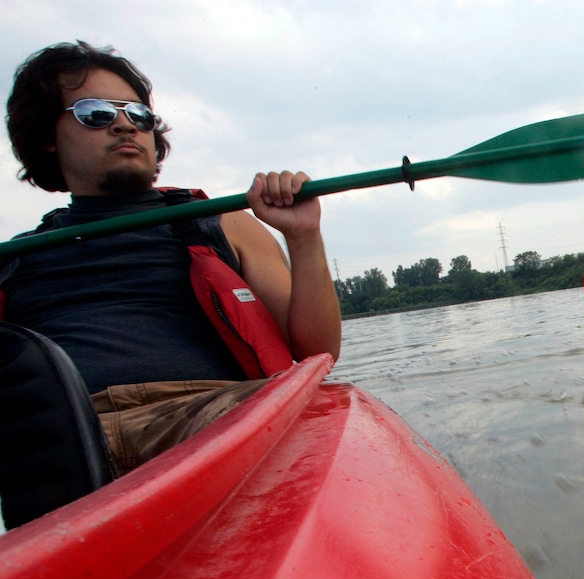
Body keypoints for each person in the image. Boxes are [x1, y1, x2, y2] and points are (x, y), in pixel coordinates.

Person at [1, 41, 341, 479]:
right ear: (47, 137)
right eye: (96, 113)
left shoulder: (220, 223)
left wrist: (304, 235)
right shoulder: (16, 259)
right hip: (70, 434)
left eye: (138, 114)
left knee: (315, 417)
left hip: (211, 413)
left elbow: (318, 351)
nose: (125, 125)